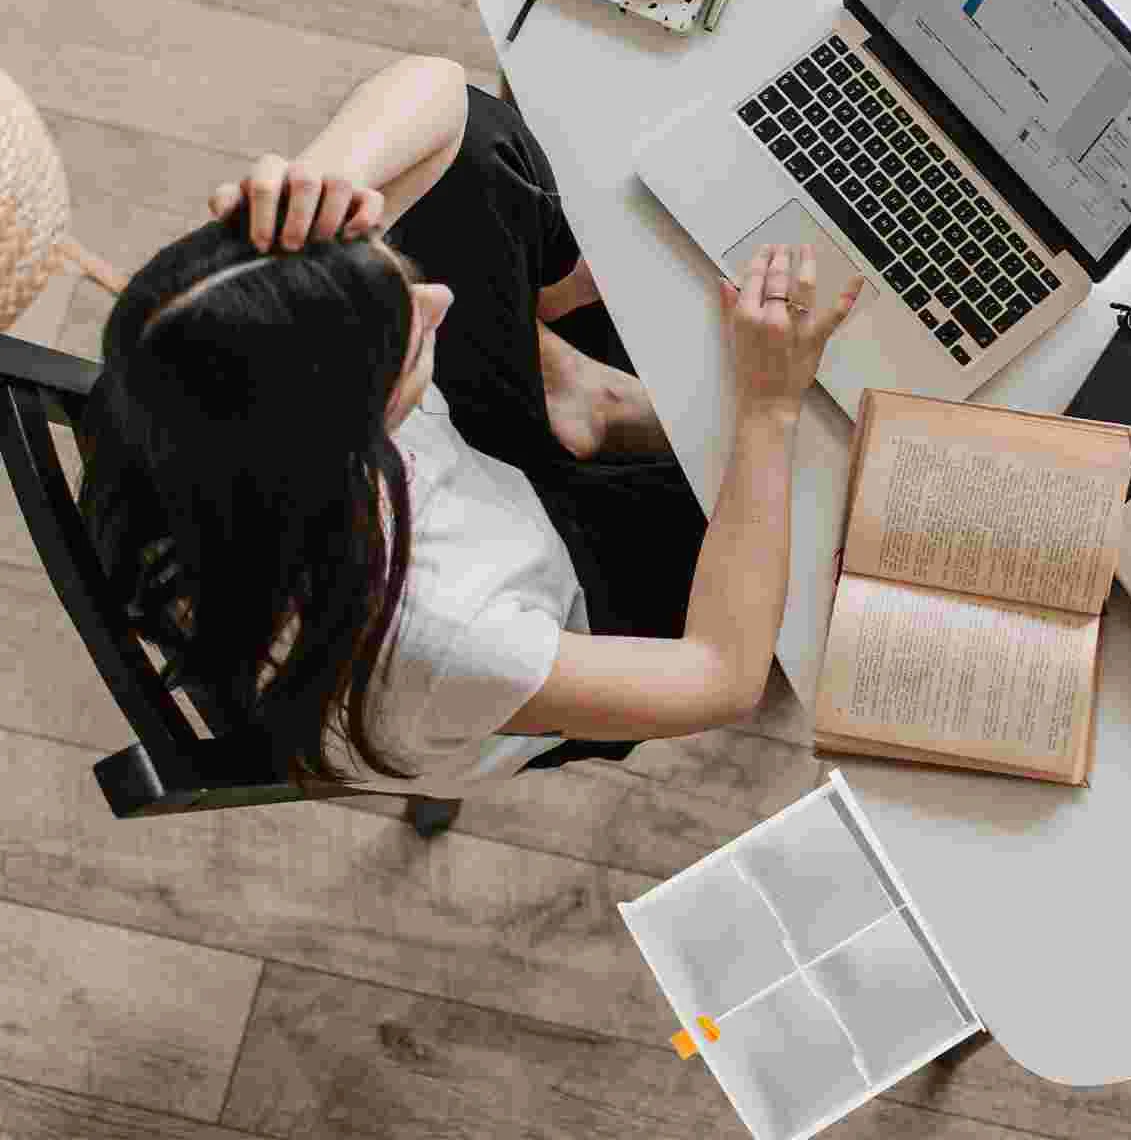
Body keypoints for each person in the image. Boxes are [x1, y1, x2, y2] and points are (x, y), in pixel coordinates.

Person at [77, 55, 862, 798]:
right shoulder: (448, 639)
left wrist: (327, 178)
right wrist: (768, 404)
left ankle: (573, 397)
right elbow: (719, 677)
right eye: (408, 338)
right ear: (356, 444)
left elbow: (441, 97)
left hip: (455, 499)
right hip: (558, 605)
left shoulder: (183, 365)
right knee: (822, 507)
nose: (438, 304)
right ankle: (584, 397)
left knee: (478, 148)